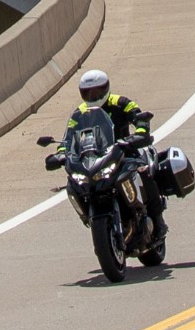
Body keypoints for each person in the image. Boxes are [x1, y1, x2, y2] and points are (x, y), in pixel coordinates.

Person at [60, 69, 168, 244]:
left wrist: (140, 132)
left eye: (97, 91)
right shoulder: (79, 113)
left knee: (144, 172)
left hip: (125, 153)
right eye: (88, 92)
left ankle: (158, 220)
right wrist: (60, 153)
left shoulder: (120, 102)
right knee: (75, 183)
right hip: (96, 160)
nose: (93, 96)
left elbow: (138, 116)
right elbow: (68, 137)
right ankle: (88, 215)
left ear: (106, 88)